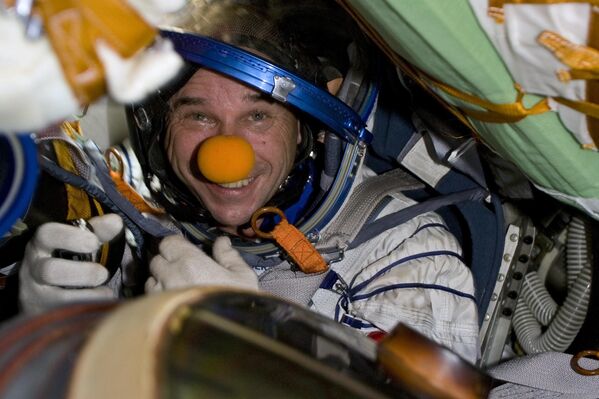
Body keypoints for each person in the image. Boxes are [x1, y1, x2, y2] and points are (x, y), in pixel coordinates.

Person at [12, 0, 480, 362]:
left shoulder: (407, 252)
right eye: (198, 114)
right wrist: (43, 322)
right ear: (160, 130)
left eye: (258, 115)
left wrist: (254, 342)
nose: (227, 152)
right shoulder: (129, 235)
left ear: (302, 130)